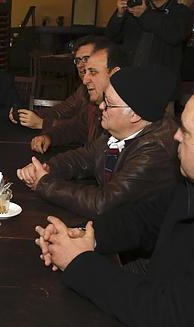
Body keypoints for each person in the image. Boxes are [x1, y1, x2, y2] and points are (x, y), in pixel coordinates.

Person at [36, 80, 194, 327]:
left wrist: (79, 262)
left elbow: (175, 319)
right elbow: (143, 219)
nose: (175, 135)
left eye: (186, 131)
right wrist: (86, 235)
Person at [17, 65, 179, 218]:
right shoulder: (120, 131)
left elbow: (103, 203)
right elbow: (83, 157)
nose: (101, 106)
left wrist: (45, 183)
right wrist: (47, 168)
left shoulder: (155, 151)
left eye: (108, 104)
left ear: (134, 115)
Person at [28, 41, 130, 154]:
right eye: (78, 61)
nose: (85, 80)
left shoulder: (125, 115)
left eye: (93, 72)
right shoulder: (94, 104)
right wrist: (49, 137)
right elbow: (75, 127)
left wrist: (43, 123)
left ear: (114, 73)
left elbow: (93, 157)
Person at [8, 35, 109, 130]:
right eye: (77, 61)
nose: (80, 66)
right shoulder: (83, 89)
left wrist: (42, 123)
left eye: (86, 59)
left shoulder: (111, 95)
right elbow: (62, 110)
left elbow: (80, 129)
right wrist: (27, 115)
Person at [105, 0, 191, 94]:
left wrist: (144, 14)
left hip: (161, 86)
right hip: (129, 80)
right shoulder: (135, 8)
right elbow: (112, 36)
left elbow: (175, 35)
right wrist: (119, 14)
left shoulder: (180, 11)